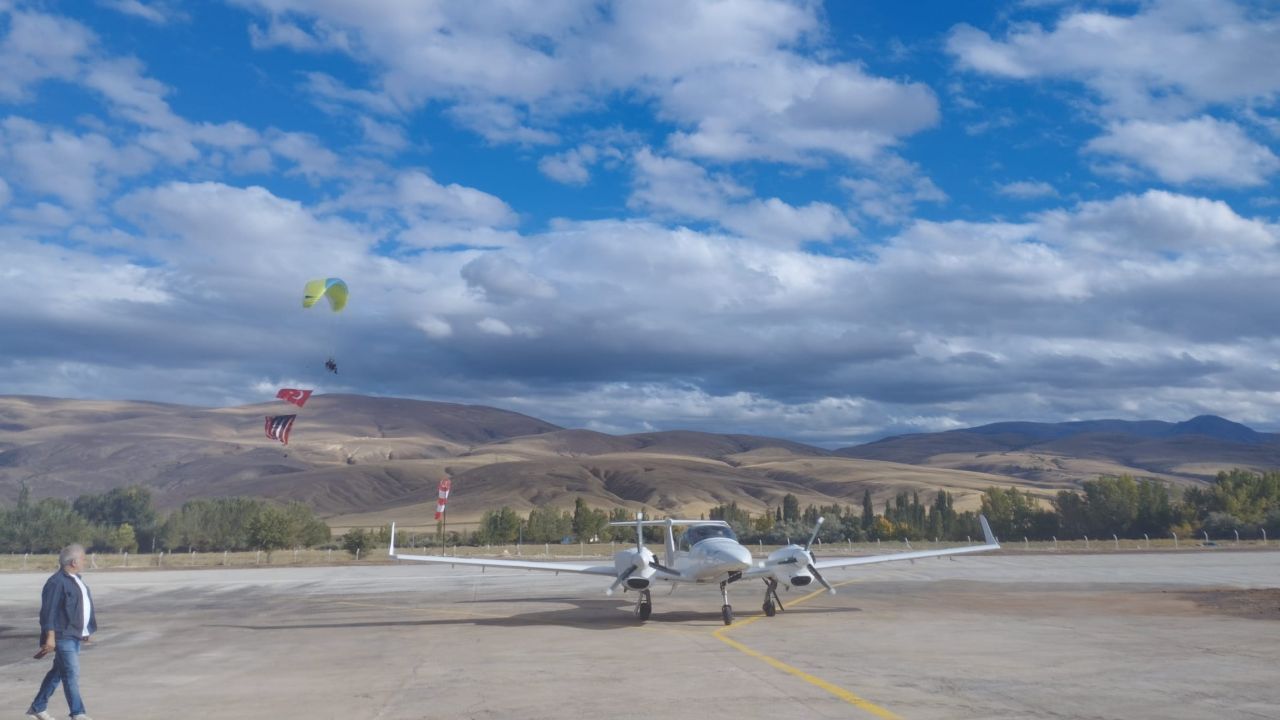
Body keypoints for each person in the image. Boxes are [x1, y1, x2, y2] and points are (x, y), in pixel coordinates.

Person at [27, 543, 96, 720]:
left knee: (58, 672)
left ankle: (37, 707)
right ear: (73, 562)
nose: (85, 561)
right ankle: (78, 713)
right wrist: (50, 636)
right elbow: (48, 611)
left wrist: (85, 630)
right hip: (62, 635)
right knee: (71, 673)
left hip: (74, 634)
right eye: (82, 558)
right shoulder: (56, 582)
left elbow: (79, 608)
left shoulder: (76, 579)